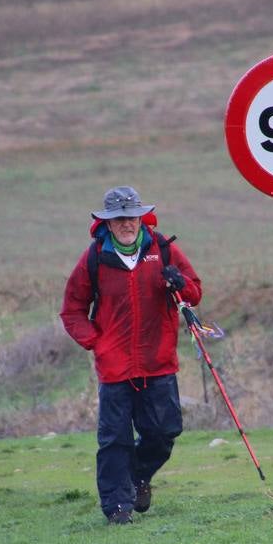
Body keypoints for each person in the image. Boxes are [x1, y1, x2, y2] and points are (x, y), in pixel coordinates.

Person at [60, 186, 202, 524]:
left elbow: (194, 293)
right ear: (107, 223)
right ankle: (117, 508)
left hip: (158, 362)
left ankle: (137, 477)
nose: (127, 223)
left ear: (141, 218)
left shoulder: (163, 249)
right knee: (114, 440)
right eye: (119, 218)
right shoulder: (94, 258)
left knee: (165, 432)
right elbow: (72, 310)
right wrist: (97, 342)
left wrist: (179, 282)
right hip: (115, 367)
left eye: (132, 217)